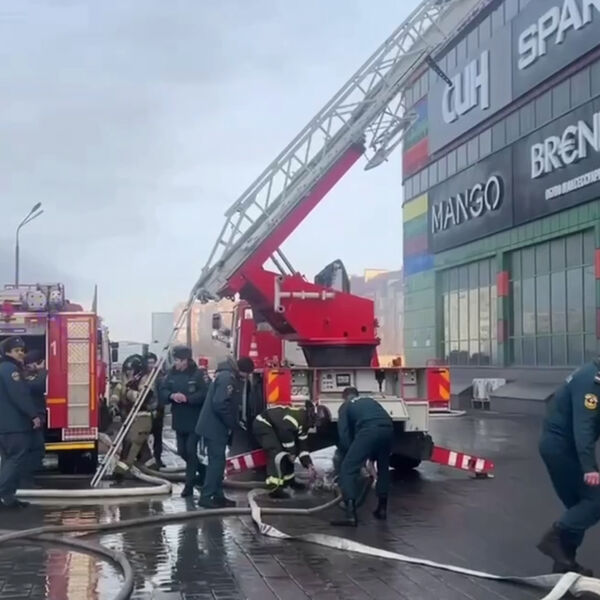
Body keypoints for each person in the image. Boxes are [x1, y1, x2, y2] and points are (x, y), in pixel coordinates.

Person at [537, 361, 600, 576]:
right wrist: (589, 467)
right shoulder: (592, 382)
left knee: (580, 507)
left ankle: (564, 564)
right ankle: (553, 538)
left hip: (563, 447)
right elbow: (584, 426)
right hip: (561, 448)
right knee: (595, 500)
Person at [195, 356, 254, 508]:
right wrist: (232, 424)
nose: (246, 378)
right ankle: (206, 497)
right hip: (215, 428)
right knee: (216, 463)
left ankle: (218, 495)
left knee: (219, 463)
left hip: (214, 427)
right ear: (243, 371)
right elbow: (220, 404)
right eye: (247, 374)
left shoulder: (227, 375)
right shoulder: (227, 378)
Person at [330, 387, 393, 527]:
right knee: (383, 467)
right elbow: (377, 423)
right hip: (388, 428)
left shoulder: (346, 406)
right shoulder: (369, 400)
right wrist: (369, 457)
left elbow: (344, 435)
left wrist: (352, 454)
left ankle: (350, 516)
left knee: (348, 468)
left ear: (344, 397)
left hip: (369, 430)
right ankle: (382, 509)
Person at [159, 346, 210, 497]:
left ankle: (189, 485)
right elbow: (163, 390)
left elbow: (205, 394)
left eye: (178, 360)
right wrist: (172, 396)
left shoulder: (198, 374)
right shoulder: (171, 374)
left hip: (194, 420)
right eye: (175, 360)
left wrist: (188, 399)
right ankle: (203, 471)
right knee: (182, 451)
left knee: (190, 450)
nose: (176, 363)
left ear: (186, 360)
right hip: (179, 419)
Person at [0, 336, 41, 509]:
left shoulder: (5, 368)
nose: (21, 354)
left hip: (6, 426)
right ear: (7, 352)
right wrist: (33, 415)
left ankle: (8, 498)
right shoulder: (11, 370)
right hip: (14, 425)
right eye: (16, 351)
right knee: (16, 459)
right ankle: (4, 493)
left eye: (22, 350)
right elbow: (20, 395)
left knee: (8, 460)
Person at [251, 401, 317, 498]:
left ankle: (289, 481)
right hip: (263, 424)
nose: (313, 426)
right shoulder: (296, 418)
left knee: (289, 452)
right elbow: (285, 434)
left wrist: (309, 465)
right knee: (276, 451)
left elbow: (302, 447)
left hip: (276, 427)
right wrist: (291, 451)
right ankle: (274, 488)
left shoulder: (304, 425)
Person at [113, 355, 154, 480]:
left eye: (131, 370)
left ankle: (121, 472)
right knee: (138, 447)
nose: (128, 373)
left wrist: (129, 392)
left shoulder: (145, 380)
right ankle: (151, 467)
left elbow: (142, 397)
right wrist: (113, 405)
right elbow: (116, 394)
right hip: (131, 419)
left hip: (141, 418)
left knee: (130, 445)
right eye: (127, 370)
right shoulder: (126, 382)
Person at [22, 350, 48, 488]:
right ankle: (24, 480)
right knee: (34, 450)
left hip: (33, 418)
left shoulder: (30, 374)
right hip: (29, 419)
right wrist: (43, 371)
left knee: (36, 449)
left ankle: (26, 479)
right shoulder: (25, 376)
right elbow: (37, 386)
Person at [145, 352, 165, 468]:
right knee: (143, 436)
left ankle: (158, 459)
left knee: (158, 437)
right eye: (149, 363)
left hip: (158, 410)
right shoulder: (142, 377)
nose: (151, 365)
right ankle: (146, 458)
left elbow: (162, 393)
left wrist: (160, 408)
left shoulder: (160, 376)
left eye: (153, 362)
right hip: (145, 411)